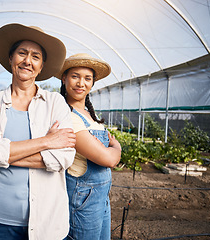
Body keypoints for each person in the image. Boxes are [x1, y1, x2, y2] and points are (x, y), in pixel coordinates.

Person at [0, 23, 76, 240]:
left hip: (46, 220)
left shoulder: (55, 103)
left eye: (35, 56)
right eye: (22, 53)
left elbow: (64, 157)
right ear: (11, 59)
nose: (27, 61)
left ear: (41, 67)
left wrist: (0, 151)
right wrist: (47, 141)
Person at [57, 53, 122, 240]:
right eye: (75, 76)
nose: (81, 83)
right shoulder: (67, 116)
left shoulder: (87, 114)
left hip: (101, 197)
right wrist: (116, 145)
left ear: (92, 83)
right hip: (82, 199)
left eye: (87, 78)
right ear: (64, 78)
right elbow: (109, 159)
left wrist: (112, 150)